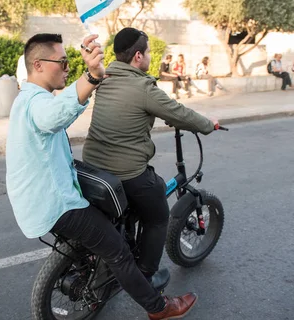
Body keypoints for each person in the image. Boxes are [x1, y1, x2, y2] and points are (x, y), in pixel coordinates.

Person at [5, 33, 199, 320]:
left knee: (108, 229)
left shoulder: (27, 99)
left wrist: (89, 82)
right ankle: (159, 308)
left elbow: (61, 114)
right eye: (62, 61)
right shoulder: (38, 105)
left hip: (35, 201)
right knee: (118, 251)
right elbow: (55, 116)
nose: (67, 67)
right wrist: (92, 77)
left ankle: (101, 268)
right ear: (38, 64)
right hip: (57, 204)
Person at [82, 27, 216, 314]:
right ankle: (146, 274)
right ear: (138, 56)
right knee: (158, 216)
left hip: (93, 165)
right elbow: (179, 112)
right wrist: (208, 124)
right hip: (126, 172)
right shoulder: (144, 88)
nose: (151, 57)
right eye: (149, 52)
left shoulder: (104, 78)